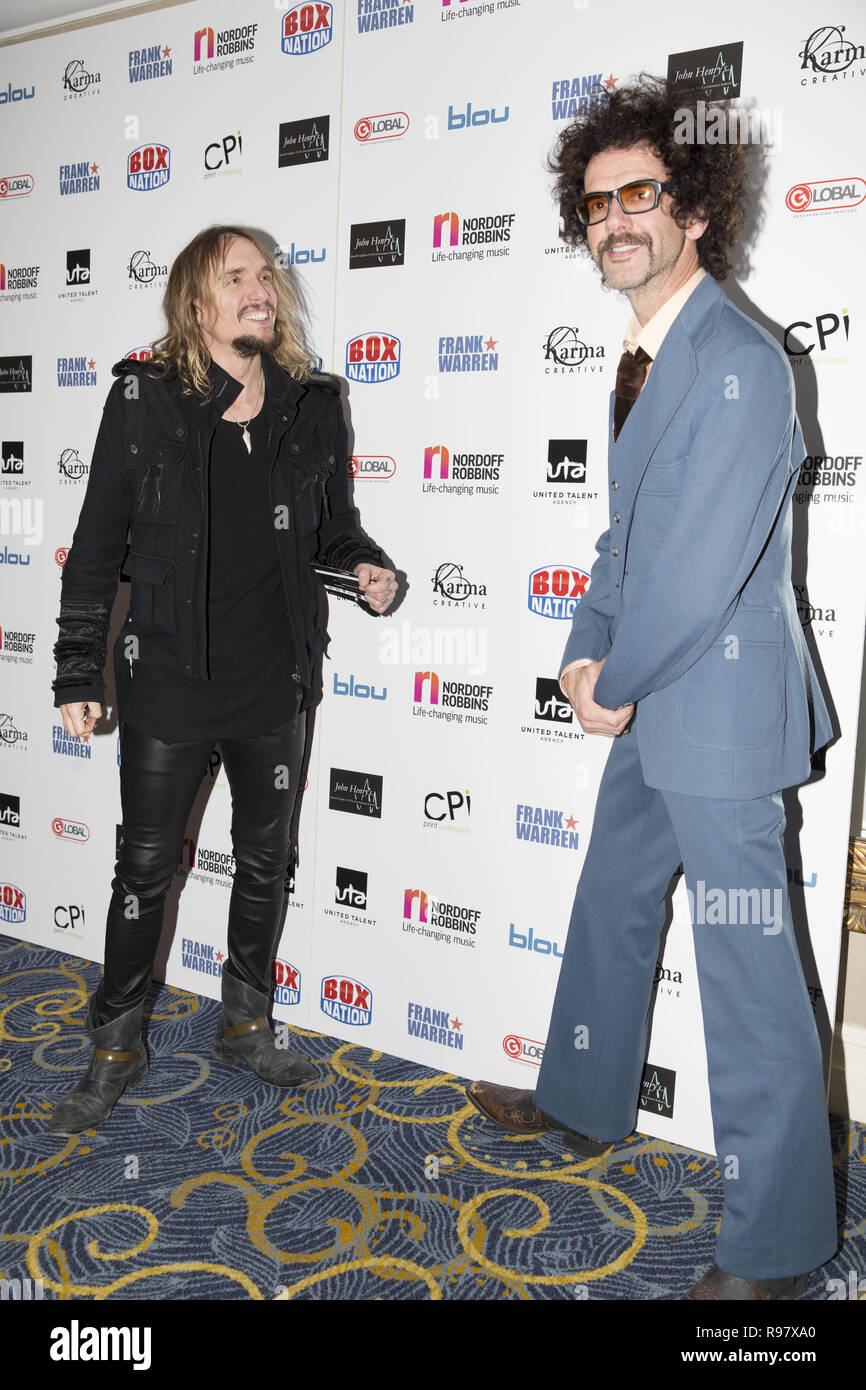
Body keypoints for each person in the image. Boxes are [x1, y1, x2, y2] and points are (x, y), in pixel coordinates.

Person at [467, 78, 837, 1300]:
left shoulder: (737, 359)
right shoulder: (644, 354)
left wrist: (606, 682)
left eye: (638, 193)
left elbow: (686, 580)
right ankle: (581, 1099)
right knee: (612, 895)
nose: (612, 218)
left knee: (747, 980)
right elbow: (624, 547)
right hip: (649, 699)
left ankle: (777, 1251)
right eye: (594, 202)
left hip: (716, 722)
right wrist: (581, 652)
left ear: (693, 207)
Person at [49, 224, 397, 1136]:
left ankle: (243, 1023)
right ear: (196, 303)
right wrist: (77, 666)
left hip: (274, 677)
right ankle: (114, 1047)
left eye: (267, 274)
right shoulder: (144, 398)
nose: (260, 287)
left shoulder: (312, 403)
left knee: (266, 862)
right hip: (168, 674)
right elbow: (95, 549)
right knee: (144, 870)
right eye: (236, 276)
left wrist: (364, 567)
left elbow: (333, 526)